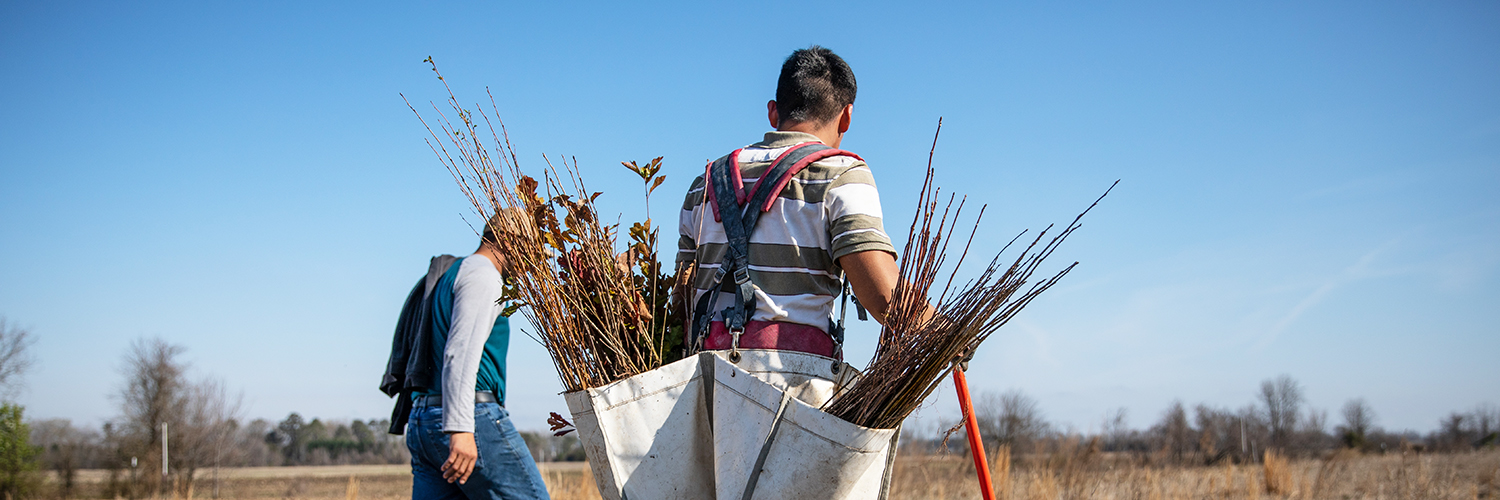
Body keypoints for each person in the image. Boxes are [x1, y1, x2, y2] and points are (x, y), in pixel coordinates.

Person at [677, 46, 902, 360]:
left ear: (773, 112)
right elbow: (883, 295)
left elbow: (683, 295)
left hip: (702, 380)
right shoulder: (841, 175)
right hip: (795, 383)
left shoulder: (705, 182)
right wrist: (945, 333)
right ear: (847, 117)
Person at [404, 212, 550, 500]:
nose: (529, 265)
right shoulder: (484, 276)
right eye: (528, 252)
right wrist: (460, 429)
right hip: (468, 416)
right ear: (508, 242)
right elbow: (460, 351)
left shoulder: (449, 274)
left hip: (424, 418)